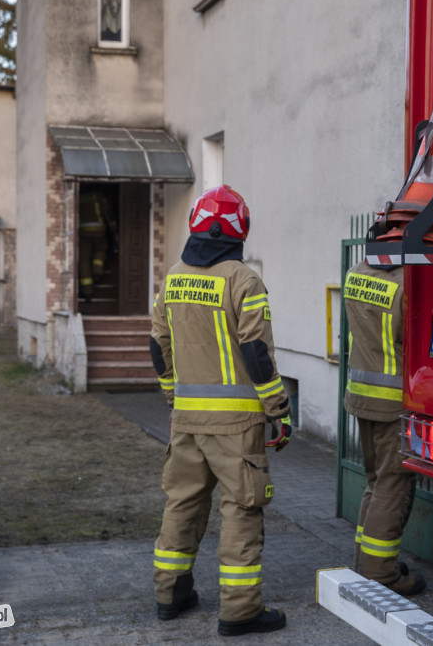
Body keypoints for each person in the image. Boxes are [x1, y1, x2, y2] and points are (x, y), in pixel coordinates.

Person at [149, 185, 292, 637]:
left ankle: (170, 594)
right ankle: (240, 610)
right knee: (242, 510)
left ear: (195, 221)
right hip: (236, 426)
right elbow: (256, 352)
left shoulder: (173, 277)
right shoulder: (242, 279)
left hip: (187, 420)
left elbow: (158, 345)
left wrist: (173, 398)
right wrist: (278, 409)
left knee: (183, 504)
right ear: (241, 228)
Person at [343, 257, 426, 596]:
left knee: (375, 481)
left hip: (361, 394)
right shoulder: (408, 280)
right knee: (393, 485)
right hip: (394, 399)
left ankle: (365, 563)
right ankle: (380, 574)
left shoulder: (356, 272)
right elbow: (417, 333)